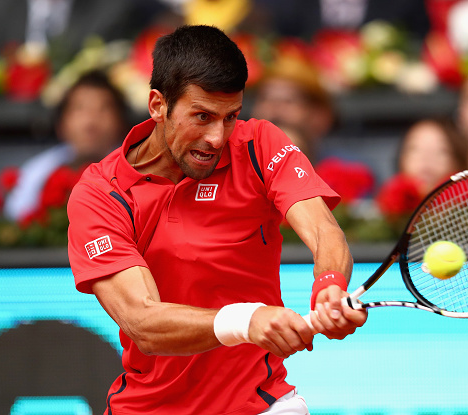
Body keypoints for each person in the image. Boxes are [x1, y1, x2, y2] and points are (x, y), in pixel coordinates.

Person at [66, 25, 366, 414]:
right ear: (158, 105)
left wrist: (329, 284)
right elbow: (143, 321)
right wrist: (247, 320)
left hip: (261, 404)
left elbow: (324, 230)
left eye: (230, 117)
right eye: (202, 116)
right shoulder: (100, 193)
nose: (217, 137)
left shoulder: (259, 145)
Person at [3, 69, 129, 222]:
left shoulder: (140, 169)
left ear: (121, 123)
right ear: (61, 125)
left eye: (102, 109)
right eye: (79, 109)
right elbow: (16, 215)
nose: (90, 123)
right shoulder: (38, 172)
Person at [376, 118, 468, 220]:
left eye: (441, 151)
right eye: (415, 149)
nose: (426, 158)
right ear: (401, 158)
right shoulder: (379, 214)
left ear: (458, 160)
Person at [250, 54, 335, 163]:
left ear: (320, 116)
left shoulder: (343, 173)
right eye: (265, 99)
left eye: (289, 101)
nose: (275, 108)